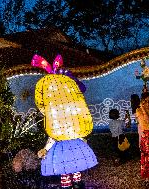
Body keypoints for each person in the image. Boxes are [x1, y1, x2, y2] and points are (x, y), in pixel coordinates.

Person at [32, 54, 98, 189]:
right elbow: (52, 137)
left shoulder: (69, 117)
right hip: (67, 145)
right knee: (66, 170)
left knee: (73, 169)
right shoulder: (55, 120)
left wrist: (82, 138)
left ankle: (76, 184)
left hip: (68, 144)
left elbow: (54, 136)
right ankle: (70, 185)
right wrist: (45, 149)